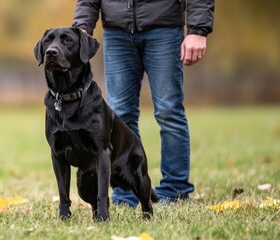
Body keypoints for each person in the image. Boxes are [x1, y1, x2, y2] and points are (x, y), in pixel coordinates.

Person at [72, 0, 214, 207]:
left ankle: (175, 191)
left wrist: (198, 29)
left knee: (169, 112)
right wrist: (81, 27)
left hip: (164, 29)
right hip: (116, 32)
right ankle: (126, 192)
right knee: (119, 116)